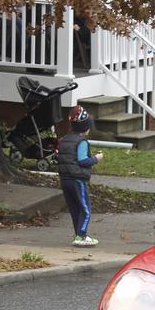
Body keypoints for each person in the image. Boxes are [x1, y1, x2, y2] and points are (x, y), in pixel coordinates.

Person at [57, 106, 103, 247]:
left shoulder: (64, 139)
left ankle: (78, 234)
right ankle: (81, 236)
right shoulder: (81, 141)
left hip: (65, 179)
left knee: (74, 208)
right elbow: (82, 160)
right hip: (77, 179)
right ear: (86, 128)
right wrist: (96, 158)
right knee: (85, 208)